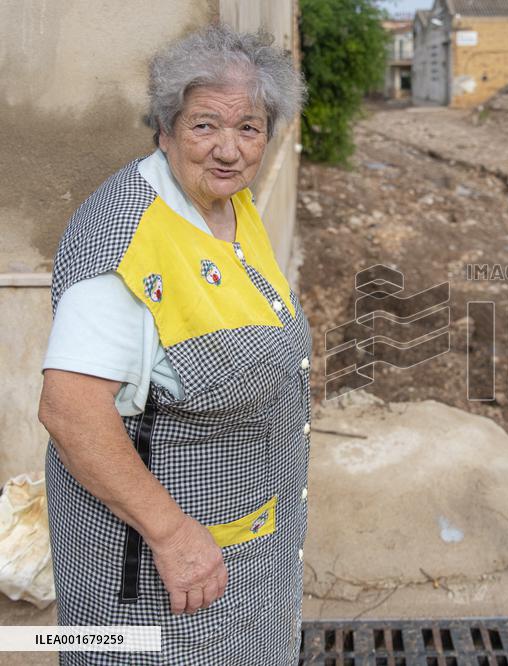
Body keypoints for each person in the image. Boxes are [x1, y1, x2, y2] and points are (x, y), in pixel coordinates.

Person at [37, 24, 311, 665]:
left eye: (249, 128)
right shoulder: (126, 233)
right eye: (204, 125)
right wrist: (172, 534)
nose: (229, 149)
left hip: (244, 560)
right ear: (165, 128)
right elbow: (70, 410)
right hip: (162, 581)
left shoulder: (232, 207)